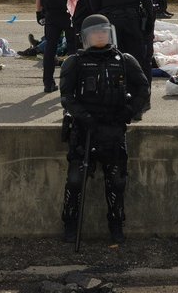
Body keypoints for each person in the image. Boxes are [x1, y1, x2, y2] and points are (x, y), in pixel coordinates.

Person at [58, 14, 150, 245]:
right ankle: (70, 223)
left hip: (113, 129)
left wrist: (129, 112)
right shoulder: (75, 62)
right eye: (96, 33)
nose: (101, 36)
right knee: (75, 181)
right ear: (86, 37)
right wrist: (84, 116)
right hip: (85, 130)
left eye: (104, 31)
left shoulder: (124, 60)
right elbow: (67, 97)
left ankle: (116, 224)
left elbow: (143, 88)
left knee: (116, 182)